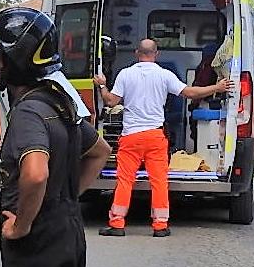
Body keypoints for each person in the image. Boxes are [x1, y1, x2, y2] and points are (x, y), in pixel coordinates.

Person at [0, 7, 111, 267]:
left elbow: (36, 174)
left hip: (38, 241)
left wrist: (22, 224)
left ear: (18, 58)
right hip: (68, 230)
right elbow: (100, 151)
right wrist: (66, 198)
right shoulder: (59, 102)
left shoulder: (28, 113)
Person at [94, 39, 233, 238]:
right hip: (155, 137)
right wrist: (216, 88)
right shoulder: (164, 75)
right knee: (159, 181)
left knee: (125, 181)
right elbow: (189, 93)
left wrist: (102, 86)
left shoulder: (125, 74)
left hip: (131, 137)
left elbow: (110, 101)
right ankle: (160, 226)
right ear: (156, 54)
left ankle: (117, 224)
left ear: (136, 53)